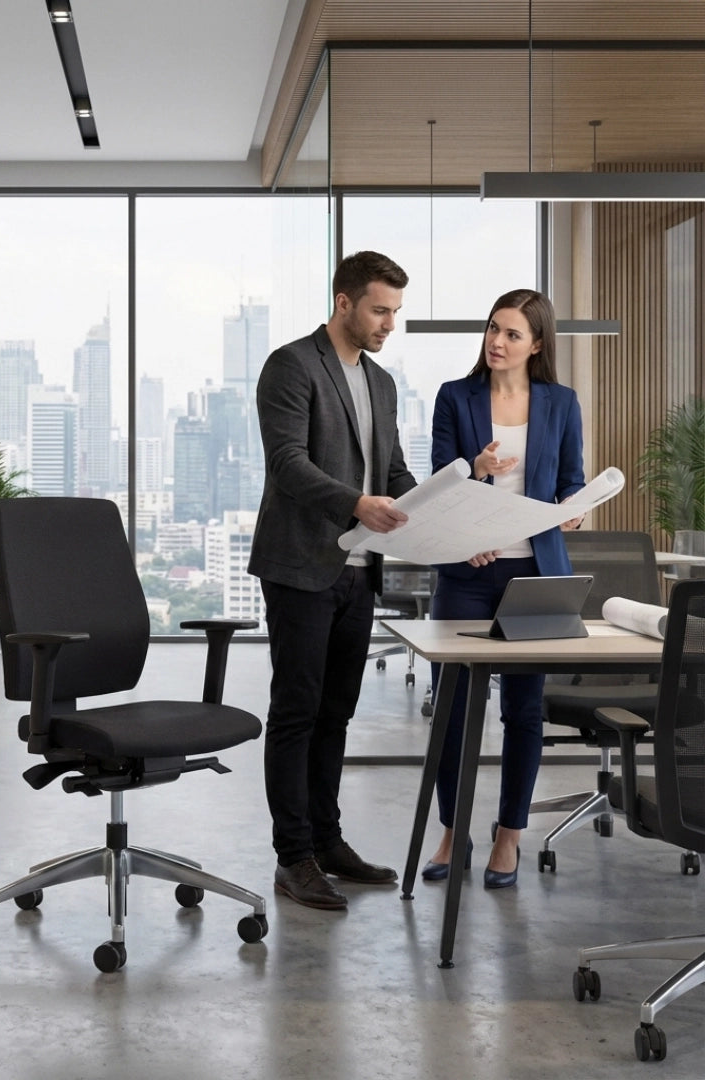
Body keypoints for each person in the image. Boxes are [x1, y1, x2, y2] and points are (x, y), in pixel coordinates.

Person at [248, 250, 417, 910]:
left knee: (337, 714)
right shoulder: (292, 366)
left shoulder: (381, 383)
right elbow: (287, 464)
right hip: (301, 566)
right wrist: (356, 503)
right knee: (297, 712)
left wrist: (446, 505)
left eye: (395, 312)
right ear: (344, 303)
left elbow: (394, 474)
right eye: (379, 310)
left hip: (358, 573)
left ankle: (327, 841)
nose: (388, 324)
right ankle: (294, 858)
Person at [421, 288, 585, 890]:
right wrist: (476, 472)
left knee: (523, 711)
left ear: (536, 344)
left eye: (512, 334)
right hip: (466, 574)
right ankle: (450, 829)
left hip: (534, 574)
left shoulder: (561, 403)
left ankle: (510, 835)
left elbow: (571, 481)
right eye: (493, 329)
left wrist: (573, 509)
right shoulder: (454, 397)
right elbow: (438, 483)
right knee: (454, 712)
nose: (497, 341)